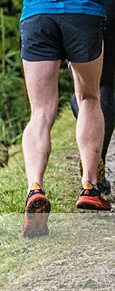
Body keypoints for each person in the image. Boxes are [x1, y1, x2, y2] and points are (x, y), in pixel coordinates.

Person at [20, 0, 111, 239]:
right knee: (89, 97)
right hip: (84, 13)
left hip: (38, 14)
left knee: (40, 112)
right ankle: (89, 186)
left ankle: (35, 188)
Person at [71, 0, 115, 202]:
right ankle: (96, 168)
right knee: (103, 85)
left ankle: (93, 165)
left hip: (74, 9)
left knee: (85, 90)